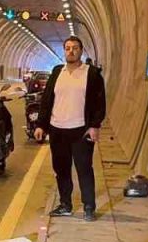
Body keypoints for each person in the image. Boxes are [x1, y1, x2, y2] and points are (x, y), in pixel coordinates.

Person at [34, 36, 107, 221]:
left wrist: (94, 125)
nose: (71, 51)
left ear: (81, 51)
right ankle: (65, 204)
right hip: (57, 129)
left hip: (80, 131)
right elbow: (47, 100)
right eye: (67, 48)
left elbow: (99, 102)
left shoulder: (91, 74)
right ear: (64, 51)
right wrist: (41, 125)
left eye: (75, 48)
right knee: (61, 170)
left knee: (84, 169)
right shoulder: (57, 72)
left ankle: (89, 206)